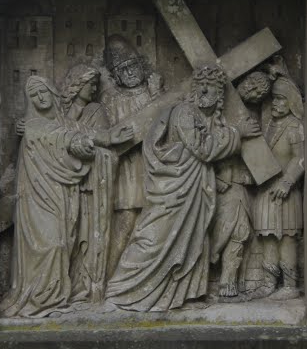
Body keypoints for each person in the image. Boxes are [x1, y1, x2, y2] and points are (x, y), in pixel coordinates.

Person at [109, 64, 259, 312]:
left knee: (193, 240)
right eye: (200, 88)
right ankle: (122, 288)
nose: (203, 94)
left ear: (220, 96)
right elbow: (203, 149)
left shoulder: (209, 120)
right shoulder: (184, 113)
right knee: (153, 238)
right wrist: (237, 133)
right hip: (174, 190)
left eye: (210, 90)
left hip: (195, 190)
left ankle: (183, 296)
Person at [0, 76, 96, 318]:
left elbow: (71, 139)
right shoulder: (31, 127)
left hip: (61, 194)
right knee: (52, 244)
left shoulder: (62, 123)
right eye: (33, 96)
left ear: (51, 92)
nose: (40, 98)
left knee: (63, 242)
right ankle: (37, 296)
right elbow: (58, 139)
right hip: (34, 197)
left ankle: (56, 297)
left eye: (42, 92)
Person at [60, 63, 131, 302]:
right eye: (90, 84)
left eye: (96, 85)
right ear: (77, 84)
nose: (93, 89)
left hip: (90, 186)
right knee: (64, 237)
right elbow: (53, 136)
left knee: (86, 237)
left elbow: (103, 145)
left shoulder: (97, 111)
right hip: (61, 185)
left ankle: (83, 286)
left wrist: (99, 144)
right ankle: (61, 287)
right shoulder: (58, 112)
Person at [102, 35, 162, 274]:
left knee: (150, 225)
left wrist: (157, 95)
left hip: (152, 167)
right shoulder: (111, 100)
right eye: (122, 69)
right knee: (125, 223)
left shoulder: (153, 92)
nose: (129, 73)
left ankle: (141, 279)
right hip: (126, 169)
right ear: (115, 75)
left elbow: (164, 126)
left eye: (133, 65)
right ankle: (109, 276)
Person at [210, 69, 271, 299]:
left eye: (259, 92)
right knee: (215, 234)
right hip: (214, 186)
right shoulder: (218, 111)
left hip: (238, 188)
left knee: (241, 232)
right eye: (251, 84)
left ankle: (228, 281)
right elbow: (207, 147)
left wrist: (249, 177)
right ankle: (202, 284)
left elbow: (263, 159)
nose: (253, 91)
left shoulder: (255, 118)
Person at [251, 77, 304, 301]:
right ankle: (269, 282)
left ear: (291, 102)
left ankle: (290, 285)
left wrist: (287, 181)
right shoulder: (270, 125)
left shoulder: (294, 126)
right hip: (266, 191)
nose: (276, 103)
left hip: (285, 193)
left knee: (287, 238)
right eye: (274, 99)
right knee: (268, 238)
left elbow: (302, 157)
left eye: (281, 99)